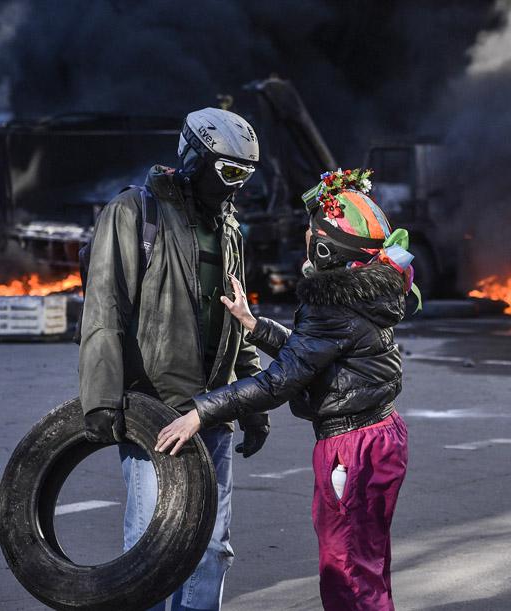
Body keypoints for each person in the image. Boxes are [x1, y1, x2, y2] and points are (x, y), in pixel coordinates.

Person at [156, 169, 414, 611]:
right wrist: (254, 325)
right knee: (369, 560)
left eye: (311, 235)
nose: (306, 241)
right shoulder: (368, 292)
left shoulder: (331, 305)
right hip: (383, 435)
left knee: (346, 569)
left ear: (326, 248)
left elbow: (279, 382)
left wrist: (202, 411)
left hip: (350, 447)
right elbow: (311, 352)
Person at [77, 107, 271, 610]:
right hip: (155, 413)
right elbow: (104, 306)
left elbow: (239, 317)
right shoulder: (133, 212)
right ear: (195, 159)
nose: (235, 187)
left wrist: (252, 402)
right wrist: (100, 398)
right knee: (152, 548)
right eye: (228, 172)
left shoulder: (229, 228)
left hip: (215, 411)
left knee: (212, 550)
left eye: (245, 175)